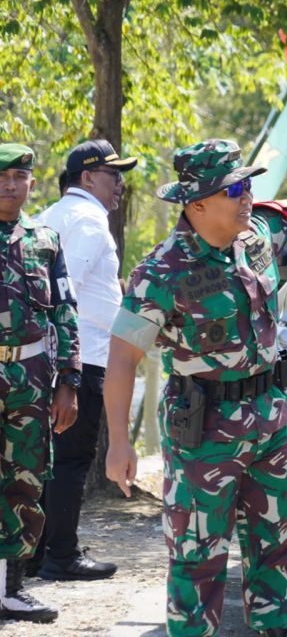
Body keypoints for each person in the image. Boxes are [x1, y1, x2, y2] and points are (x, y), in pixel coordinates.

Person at [102, 139, 287, 637]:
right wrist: (119, 442)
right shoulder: (162, 272)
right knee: (198, 555)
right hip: (204, 433)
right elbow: (122, 359)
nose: (248, 196)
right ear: (197, 203)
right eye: (235, 189)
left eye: (249, 185)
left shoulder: (260, 231)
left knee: (280, 544)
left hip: (272, 421)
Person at [31, 139, 137, 582]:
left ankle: (36, 553)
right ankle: (62, 554)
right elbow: (63, 290)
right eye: (114, 176)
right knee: (72, 461)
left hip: (44, 357)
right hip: (84, 356)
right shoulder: (90, 220)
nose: (121, 186)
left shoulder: (50, 216)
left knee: (44, 461)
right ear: (88, 177)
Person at [0, 143, 81, 623]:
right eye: (2, 176)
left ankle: (11, 589)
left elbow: (66, 313)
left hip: (30, 379)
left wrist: (68, 381)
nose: (10, 185)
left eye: (19, 177)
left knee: (24, 483)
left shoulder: (45, 240)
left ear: (33, 182)